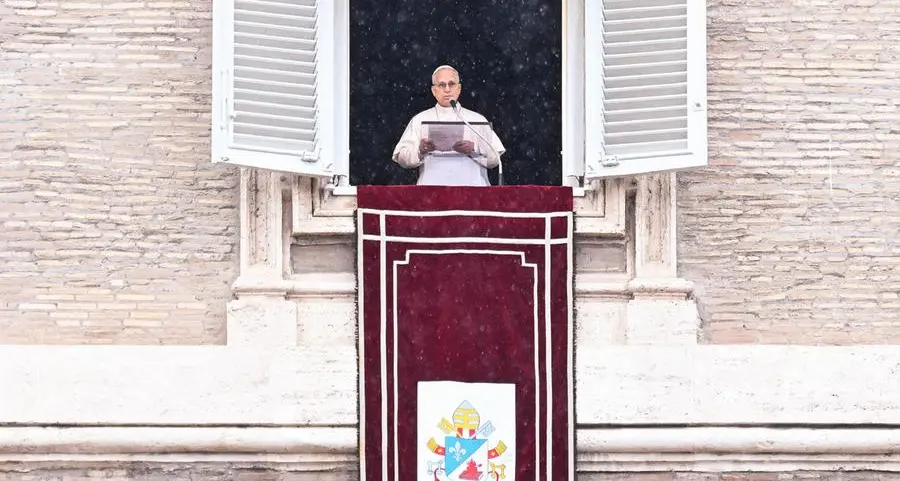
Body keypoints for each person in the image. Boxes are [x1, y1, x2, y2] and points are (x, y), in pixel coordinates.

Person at [392, 65, 506, 186]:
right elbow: (402, 158)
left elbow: (495, 160)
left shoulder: (477, 120)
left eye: (451, 84)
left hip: (473, 195)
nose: (447, 89)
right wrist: (420, 150)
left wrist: (474, 149)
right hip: (432, 194)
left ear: (459, 88)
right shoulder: (420, 120)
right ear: (434, 91)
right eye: (441, 85)